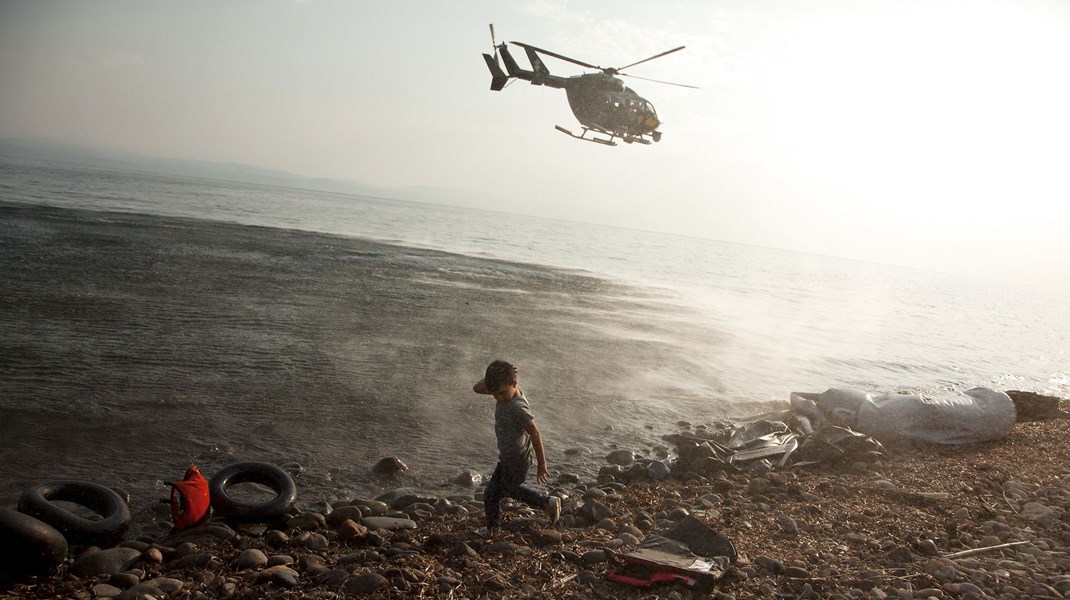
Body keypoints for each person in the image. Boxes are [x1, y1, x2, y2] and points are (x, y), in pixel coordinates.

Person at [473, 360, 560, 538]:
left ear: (514, 384)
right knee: (508, 490)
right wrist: (495, 377)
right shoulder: (505, 389)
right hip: (509, 458)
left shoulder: (517, 407)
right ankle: (547, 503)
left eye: (502, 393)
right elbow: (477, 388)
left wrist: (542, 464)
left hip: (517, 460)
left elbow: (535, 433)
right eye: (495, 394)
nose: (499, 397)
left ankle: (492, 530)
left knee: (491, 494)